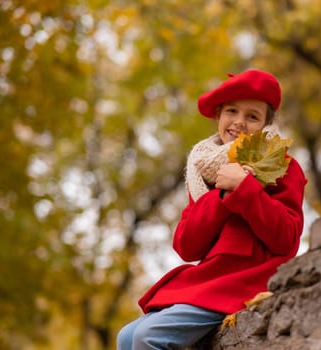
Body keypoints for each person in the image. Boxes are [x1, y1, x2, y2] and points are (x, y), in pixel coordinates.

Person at [117, 69, 307, 350]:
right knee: (126, 337)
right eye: (232, 111)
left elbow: (287, 239)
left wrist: (244, 188)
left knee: (148, 338)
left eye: (252, 116)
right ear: (218, 116)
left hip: (244, 282)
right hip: (210, 281)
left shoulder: (283, 165)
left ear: (266, 124)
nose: (239, 122)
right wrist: (221, 194)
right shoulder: (203, 173)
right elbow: (187, 246)